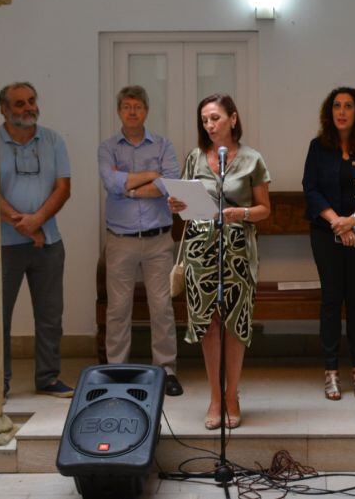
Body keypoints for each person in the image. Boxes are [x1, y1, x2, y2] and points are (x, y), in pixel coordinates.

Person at [168, 93, 271, 429]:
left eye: (215, 118)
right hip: (201, 251)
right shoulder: (195, 157)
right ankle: (214, 396)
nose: (210, 125)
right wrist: (177, 205)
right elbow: (185, 209)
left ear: (233, 119)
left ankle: (232, 395)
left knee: (235, 324)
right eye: (205, 120)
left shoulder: (252, 159)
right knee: (209, 324)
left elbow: (264, 210)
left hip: (239, 251)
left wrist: (240, 213)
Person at [302, 87, 355, 401]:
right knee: (330, 299)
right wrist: (337, 223)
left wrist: (352, 221)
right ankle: (331, 372)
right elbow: (310, 189)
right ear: (330, 112)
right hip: (326, 234)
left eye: (348, 106)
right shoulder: (318, 147)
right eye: (336, 106)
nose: (341, 111)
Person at [98, 85, 183, 397]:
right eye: (126, 106)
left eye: (137, 106)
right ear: (119, 112)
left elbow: (168, 183)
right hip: (120, 240)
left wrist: (130, 186)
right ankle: (115, 370)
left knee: (161, 307)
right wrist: (151, 174)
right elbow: (111, 181)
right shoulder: (108, 148)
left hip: (158, 239)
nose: (132, 111)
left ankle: (166, 370)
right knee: (118, 309)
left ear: (146, 111)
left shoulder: (163, 144)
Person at [0, 82, 73, 399]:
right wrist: (26, 226)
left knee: (50, 316)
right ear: (4, 109)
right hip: (2, 246)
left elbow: (63, 188)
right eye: (19, 103)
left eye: (31, 101)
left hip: (49, 243)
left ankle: (47, 377)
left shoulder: (53, 140)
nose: (28, 107)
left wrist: (37, 221)